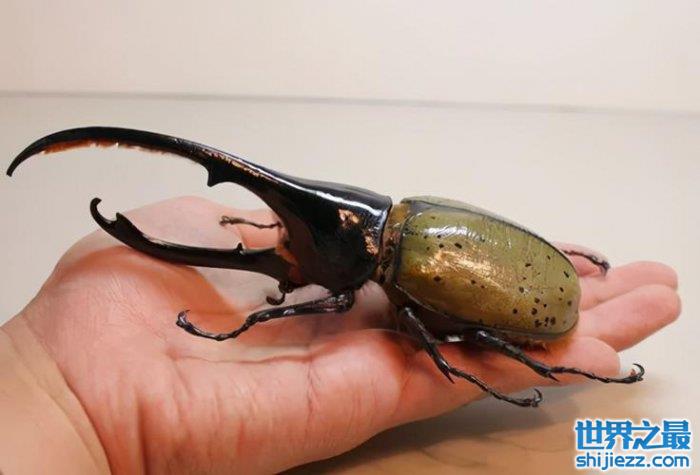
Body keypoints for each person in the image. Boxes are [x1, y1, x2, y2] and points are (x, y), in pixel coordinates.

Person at [0, 197, 680, 473]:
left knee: (449, 347)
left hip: (533, 304)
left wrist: (252, 319)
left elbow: (438, 331)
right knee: (442, 340)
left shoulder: (402, 269)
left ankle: (557, 367)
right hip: (532, 273)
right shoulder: (407, 213)